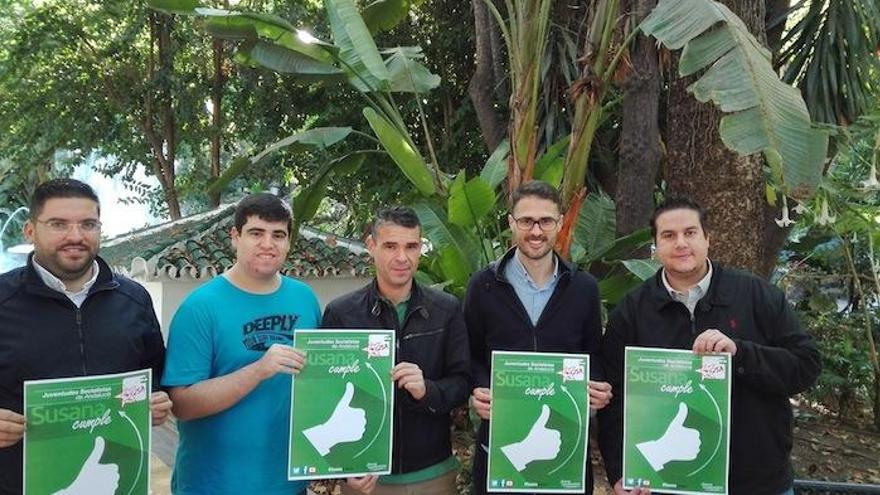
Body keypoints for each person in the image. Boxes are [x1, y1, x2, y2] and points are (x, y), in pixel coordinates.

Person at [598, 195, 821, 495]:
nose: (680, 243)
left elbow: (805, 367)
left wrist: (741, 354)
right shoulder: (631, 311)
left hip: (757, 482)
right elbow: (613, 400)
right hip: (667, 482)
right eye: (668, 235)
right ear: (655, 247)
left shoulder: (756, 294)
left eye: (690, 233)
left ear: (707, 239)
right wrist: (618, 471)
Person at [0, 178, 172, 495]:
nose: (75, 236)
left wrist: (158, 400)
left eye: (88, 224)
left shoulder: (134, 299)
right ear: (29, 231)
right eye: (58, 224)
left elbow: (155, 375)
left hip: (117, 481)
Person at [161, 193, 321, 495]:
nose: (267, 244)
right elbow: (182, 405)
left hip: (289, 483)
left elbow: (320, 383)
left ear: (288, 242)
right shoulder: (200, 307)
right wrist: (259, 369)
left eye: (278, 235)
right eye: (256, 233)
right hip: (213, 485)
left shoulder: (305, 299)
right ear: (235, 237)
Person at [465, 180, 613, 495]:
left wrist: (597, 386)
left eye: (546, 221)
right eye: (526, 221)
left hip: (564, 443)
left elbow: (593, 354)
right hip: (502, 440)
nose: (536, 231)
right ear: (511, 223)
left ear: (560, 222)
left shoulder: (584, 288)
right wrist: (478, 389)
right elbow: (472, 354)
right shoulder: (484, 286)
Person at [322, 206, 470, 495]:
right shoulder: (341, 314)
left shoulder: (446, 309)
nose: (402, 257)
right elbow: (326, 396)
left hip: (433, 474)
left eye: (411, 246)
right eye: (391, 246)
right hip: (366, 475)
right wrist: (342, 467)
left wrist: (426, 390)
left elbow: (462, 382)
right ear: (371, 247)